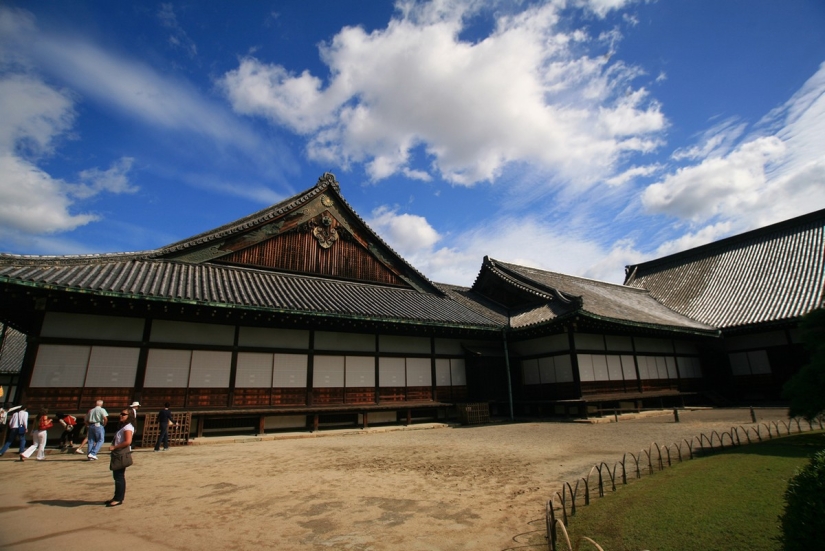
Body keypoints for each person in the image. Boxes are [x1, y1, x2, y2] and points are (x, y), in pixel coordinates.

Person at [106, 409, 135, 507]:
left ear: (129, 416)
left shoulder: (128, 427)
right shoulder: (123, 426)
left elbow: (128, 441)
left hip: (121, 453)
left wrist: (115, 447)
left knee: (119, 477)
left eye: (124, 414)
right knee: (117, 476)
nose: (121, 415)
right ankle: (116, 497)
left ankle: (118, 498)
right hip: (118, 452)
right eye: (121, 414)